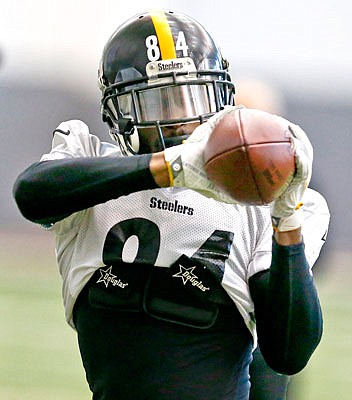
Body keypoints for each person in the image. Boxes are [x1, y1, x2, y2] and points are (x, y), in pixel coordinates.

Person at [13, 9, 329, 400]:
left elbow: (288, 353)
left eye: (193, 96)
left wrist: (287, 223)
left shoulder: (255, 206)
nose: (181, 120)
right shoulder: (91, 169)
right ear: (121, 113)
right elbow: (31, 194)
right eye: (161, 102)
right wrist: (167, 169)